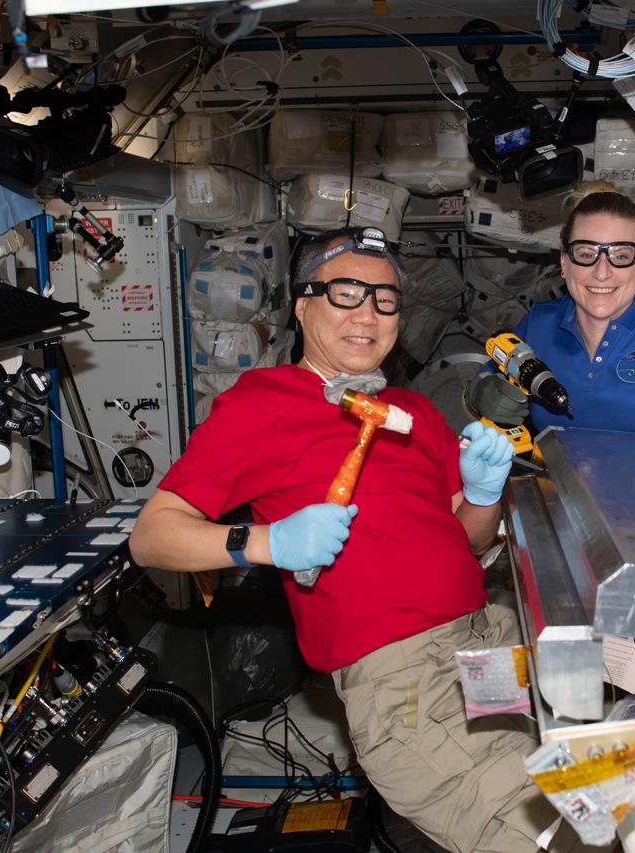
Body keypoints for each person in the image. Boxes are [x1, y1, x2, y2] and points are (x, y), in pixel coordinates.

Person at [130, 226, 586, 853]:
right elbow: (152, 536)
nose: (367, 315)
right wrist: (264, 542)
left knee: (603, 802)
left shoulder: (414, 412)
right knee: (553, 838)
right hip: (408, 683)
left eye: (385, 300)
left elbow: (466, 539)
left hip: (492, 640)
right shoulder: (258, 405)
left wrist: (482, 496)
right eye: (346, 293)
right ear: (302, 305)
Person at [466, 181, 635, 434]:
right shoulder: (538, 325)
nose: (602, 273)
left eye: (620, 256)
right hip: (554, 475)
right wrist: (479, 396)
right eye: (586, 254)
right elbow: (476, 393)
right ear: (564, 262)